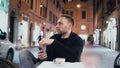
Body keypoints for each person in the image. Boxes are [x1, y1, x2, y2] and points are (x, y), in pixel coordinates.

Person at [19, 14, 84, 68]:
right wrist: (43, 57)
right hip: (49, 65)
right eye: (57, 23)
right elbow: (48, 58)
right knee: (24, 53)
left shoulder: (77, 40)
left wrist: (53, 42)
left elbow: (74, 58)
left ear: (69, 26)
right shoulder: (54, 37)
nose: (57, 26)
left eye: (60, 24)